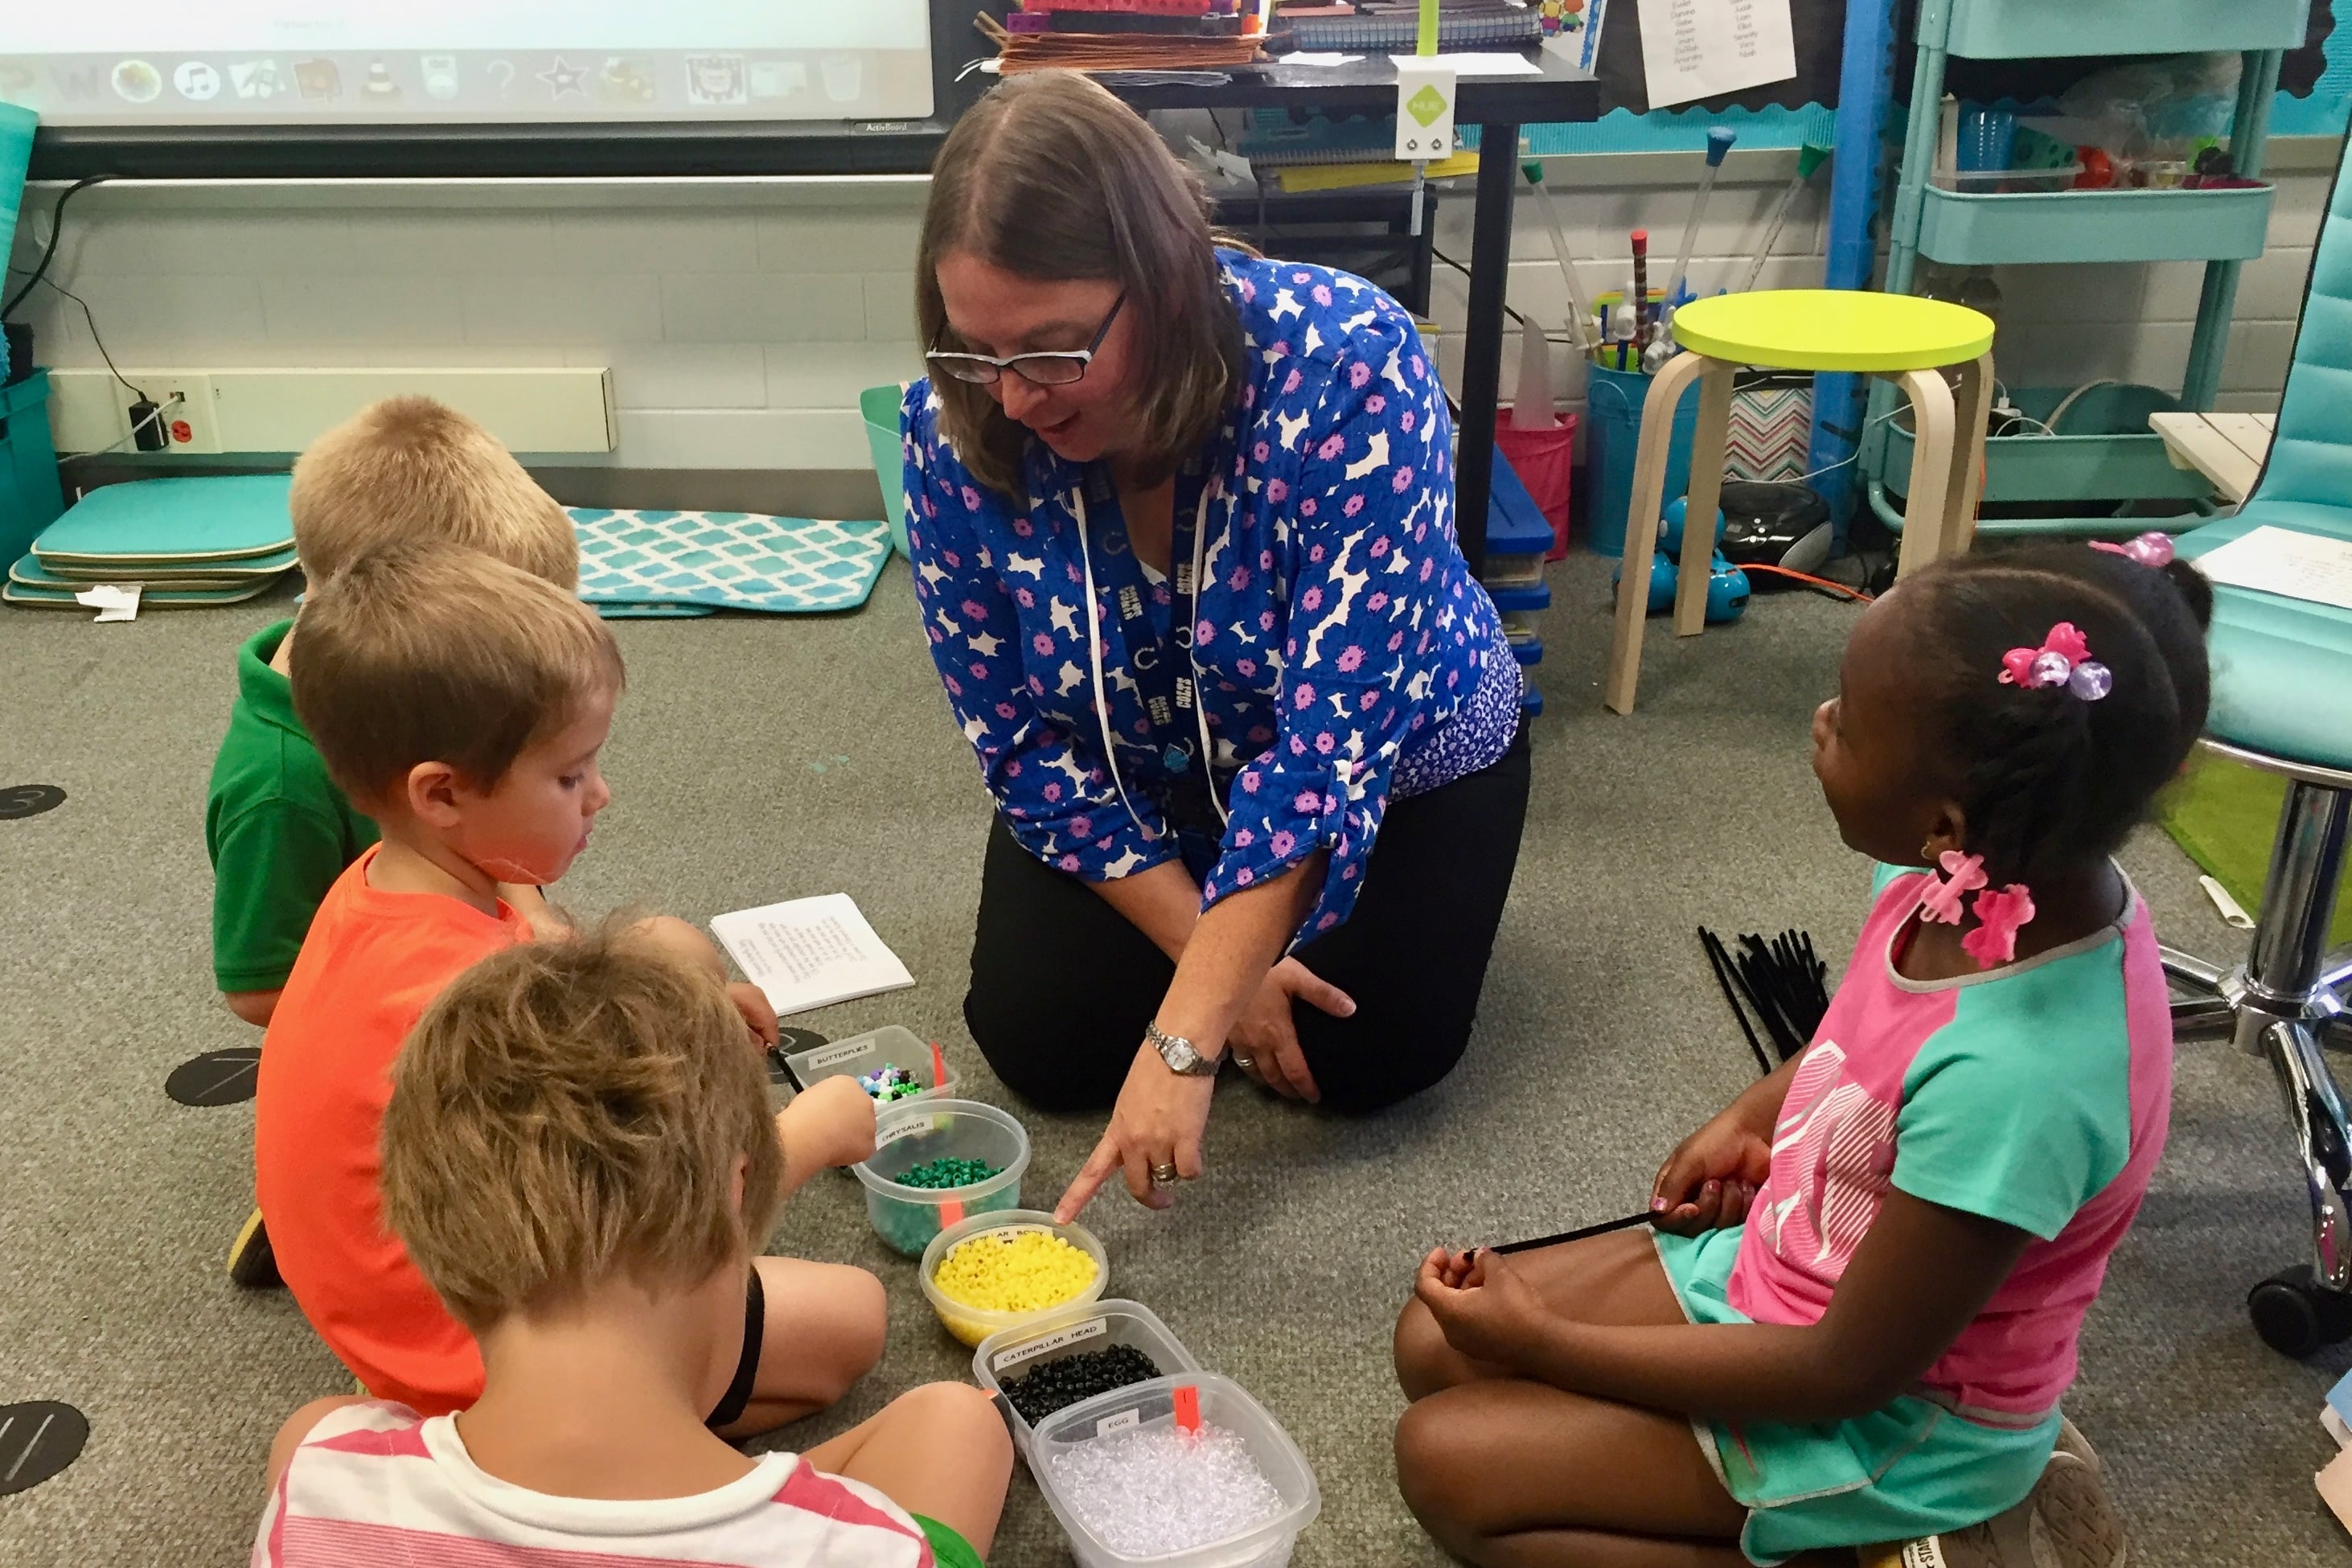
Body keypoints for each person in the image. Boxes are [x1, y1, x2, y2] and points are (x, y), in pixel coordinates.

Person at [1392, 540, 2210, 1568]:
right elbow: (1865, 1041)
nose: (1820, 723)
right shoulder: (1964, 883)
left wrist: (1547, 1349)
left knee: (1447, 1463)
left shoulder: (2026, 1081)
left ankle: (1866, 1548)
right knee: (1434, 1345)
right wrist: (1751, 1119)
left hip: (1897, 1419)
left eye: (1848, 722)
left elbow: (1843, 1373)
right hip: (1796, 1274)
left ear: (1943, 821)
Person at [901, 69, 1529, 1221]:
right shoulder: (957, 421)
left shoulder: (1350, 365)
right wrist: (1221, 977)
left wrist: (1182, 1041)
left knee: (1371, 1057)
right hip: (1138, 777)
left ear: (1164, 281)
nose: (1016, 399)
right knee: (1043, 1048)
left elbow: (1326, 752)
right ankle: (1226, 944)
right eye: (973, 352)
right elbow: (1020, 747)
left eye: (1049, 350)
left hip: (1393, 765)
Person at [253, 545, 878, 1436]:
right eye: (568, 776)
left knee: (669, 949)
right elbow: (644, 1227)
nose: (602, 796)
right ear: (441, 795)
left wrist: (687, 1007)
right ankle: (530, 1442)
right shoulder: (482, 1007)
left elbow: (540, 945)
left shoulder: (380, 882)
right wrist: (804, 1139)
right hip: (476, 1353)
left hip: (384, 1298)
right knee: (852, 1318)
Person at [253, 929, 1011, 1568]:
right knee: (963, 1424)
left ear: (423, 1222)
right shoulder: (874, 1553)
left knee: (307, 1425)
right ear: (739, 1193)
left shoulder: (318, 1473)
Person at [208, 396, 581, 1290]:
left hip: (450, 953)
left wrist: (523, 909)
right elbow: (262, 988)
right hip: (392, 1035)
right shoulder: (282, 790)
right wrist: (470, 979)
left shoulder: (411, 716)